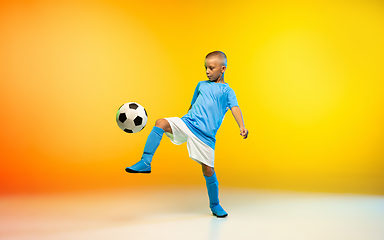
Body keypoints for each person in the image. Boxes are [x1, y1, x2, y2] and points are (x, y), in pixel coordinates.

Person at [125, 51, 248, 218]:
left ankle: (215, 204)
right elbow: (192, 105)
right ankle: (145, 161)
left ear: (223, 69)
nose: (207, 71)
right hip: (188, 123)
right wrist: (181, 124)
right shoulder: (201, 85)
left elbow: (235, 108)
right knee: (160, 122)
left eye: (211, 68)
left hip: (205, 136)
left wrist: (241, 126)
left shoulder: (227, 91)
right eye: (206, 68)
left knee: (208, 170)